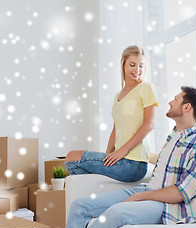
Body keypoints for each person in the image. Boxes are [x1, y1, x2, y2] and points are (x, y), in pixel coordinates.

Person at [62, 86, 196, 228]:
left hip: (170, 207)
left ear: (186, 107)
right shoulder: (175, 135)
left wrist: (142, 196)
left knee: (116, 213)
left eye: (176, 99)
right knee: (80, 206)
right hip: (148, 190)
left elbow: (181, 193)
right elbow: (166, 164)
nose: (170, 102)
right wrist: (130, 155)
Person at [64, 45, 158, 182]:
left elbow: (149, 125)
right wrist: (106, 156)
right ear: (123, 63)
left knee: (71, 157)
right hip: (121, 159)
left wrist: (123, 150)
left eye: (141, 66)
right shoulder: (118, 96)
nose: (137, 70)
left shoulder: (146, 88)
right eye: (133, 65)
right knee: (72, 161)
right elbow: (116, 130)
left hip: (134, 164)